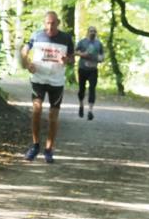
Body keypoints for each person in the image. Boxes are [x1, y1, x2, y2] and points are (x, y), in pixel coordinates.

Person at [21, 11, 75, 164]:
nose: (50, 26)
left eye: (53, 23)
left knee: (53, 116)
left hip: (56, 81)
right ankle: (35, 146)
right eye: (47, 23)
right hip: (38, 78)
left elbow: (72, 59)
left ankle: (49, 149)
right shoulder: (37, 35)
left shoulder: (66, 38)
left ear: (58, 22)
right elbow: (24, 50)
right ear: (44, 23)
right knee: (36, 110)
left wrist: (67, 60)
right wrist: (28, 64)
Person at [75, 25, 105, 120]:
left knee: (92, 89)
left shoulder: (98, 44)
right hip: (82, 69)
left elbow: (102, 55)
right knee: (81, 89)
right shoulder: (82, 42)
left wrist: (100, 58)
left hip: (93, 70)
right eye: (91, 31)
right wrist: (82, 54)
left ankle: (90, 111)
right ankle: (81, 105)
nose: (93, 33)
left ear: (96, 33)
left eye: (94, 31)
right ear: (87, 32)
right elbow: (74, 51)